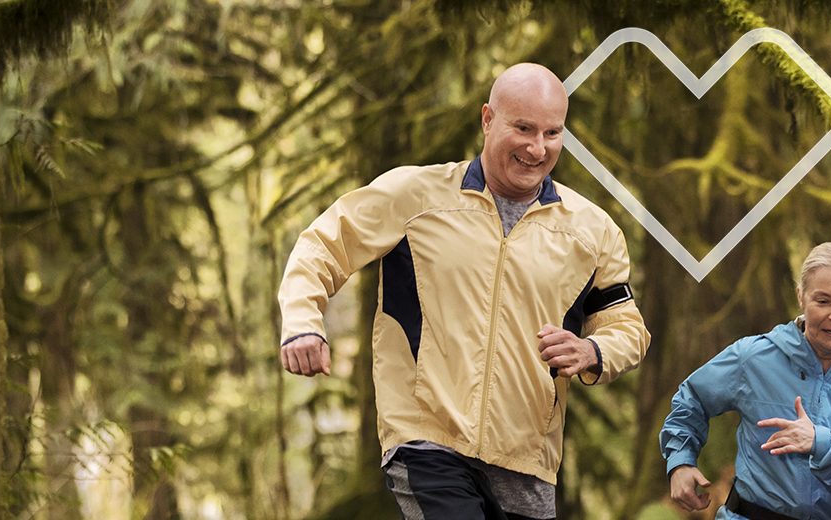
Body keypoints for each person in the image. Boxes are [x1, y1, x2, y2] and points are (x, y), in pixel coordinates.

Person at [276, 63, 651, 520]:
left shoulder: (593, 232)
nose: (538, 148)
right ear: (487, 119)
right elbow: (322, 246)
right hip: (426, 438)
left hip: (527, 457)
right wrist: (301, 324)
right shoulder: (415, 196)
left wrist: (593, 351)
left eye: (553, 133)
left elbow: (626, 327)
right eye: (524, 128)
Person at [661, 242, 831, 520]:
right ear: (801, 297)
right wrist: (680, 461)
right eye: (823, 301)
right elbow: (692, 399)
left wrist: (820, 443)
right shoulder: (754, 357)